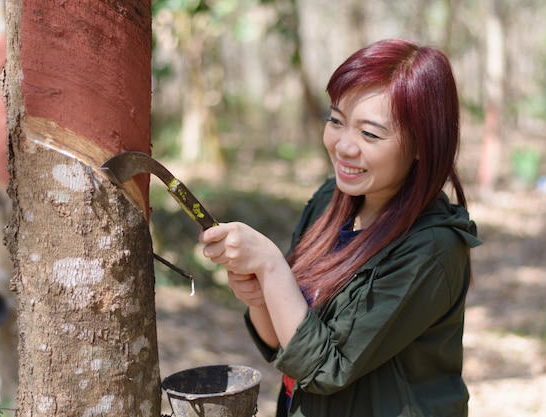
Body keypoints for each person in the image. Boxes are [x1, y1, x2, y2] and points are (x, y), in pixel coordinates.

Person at [200, 38, 481, 417]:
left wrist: (270, 264)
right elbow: (284, 348)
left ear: (421, 145)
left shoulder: (432, 248)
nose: (343, 146)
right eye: (336, 120)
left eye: (370, 134)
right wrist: (258, 293)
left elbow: (324, 368)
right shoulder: (329, 201)